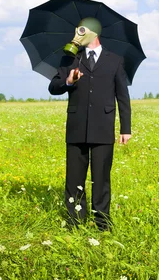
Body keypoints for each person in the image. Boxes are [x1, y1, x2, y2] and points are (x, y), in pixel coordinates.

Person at [48, 18, 132, 232]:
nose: (76, 35)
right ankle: (75, 222)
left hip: (104, 128)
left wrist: (125, 128)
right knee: (73, 178)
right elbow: (53, 87)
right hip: (76, 127)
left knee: (101, 179)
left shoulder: (115, 60)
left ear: (93, 34)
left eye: (81, 31)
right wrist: (68, 81)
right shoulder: (70, 60)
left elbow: (123, 96)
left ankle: (102, 224)